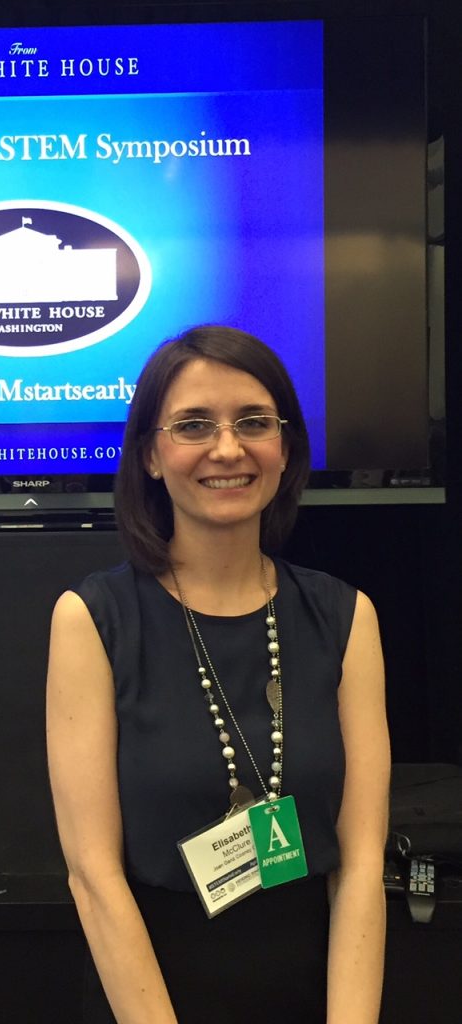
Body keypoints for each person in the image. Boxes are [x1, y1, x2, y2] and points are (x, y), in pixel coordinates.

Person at [46, 325, 390, 1024]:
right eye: (193, 425)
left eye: (253, 423)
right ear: (149, 453)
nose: (227, 449)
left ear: (284, 447)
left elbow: (359, 867)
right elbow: (92, 876)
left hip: (316, 992)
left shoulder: (345, 616)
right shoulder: (92, 619)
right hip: (151, 998)